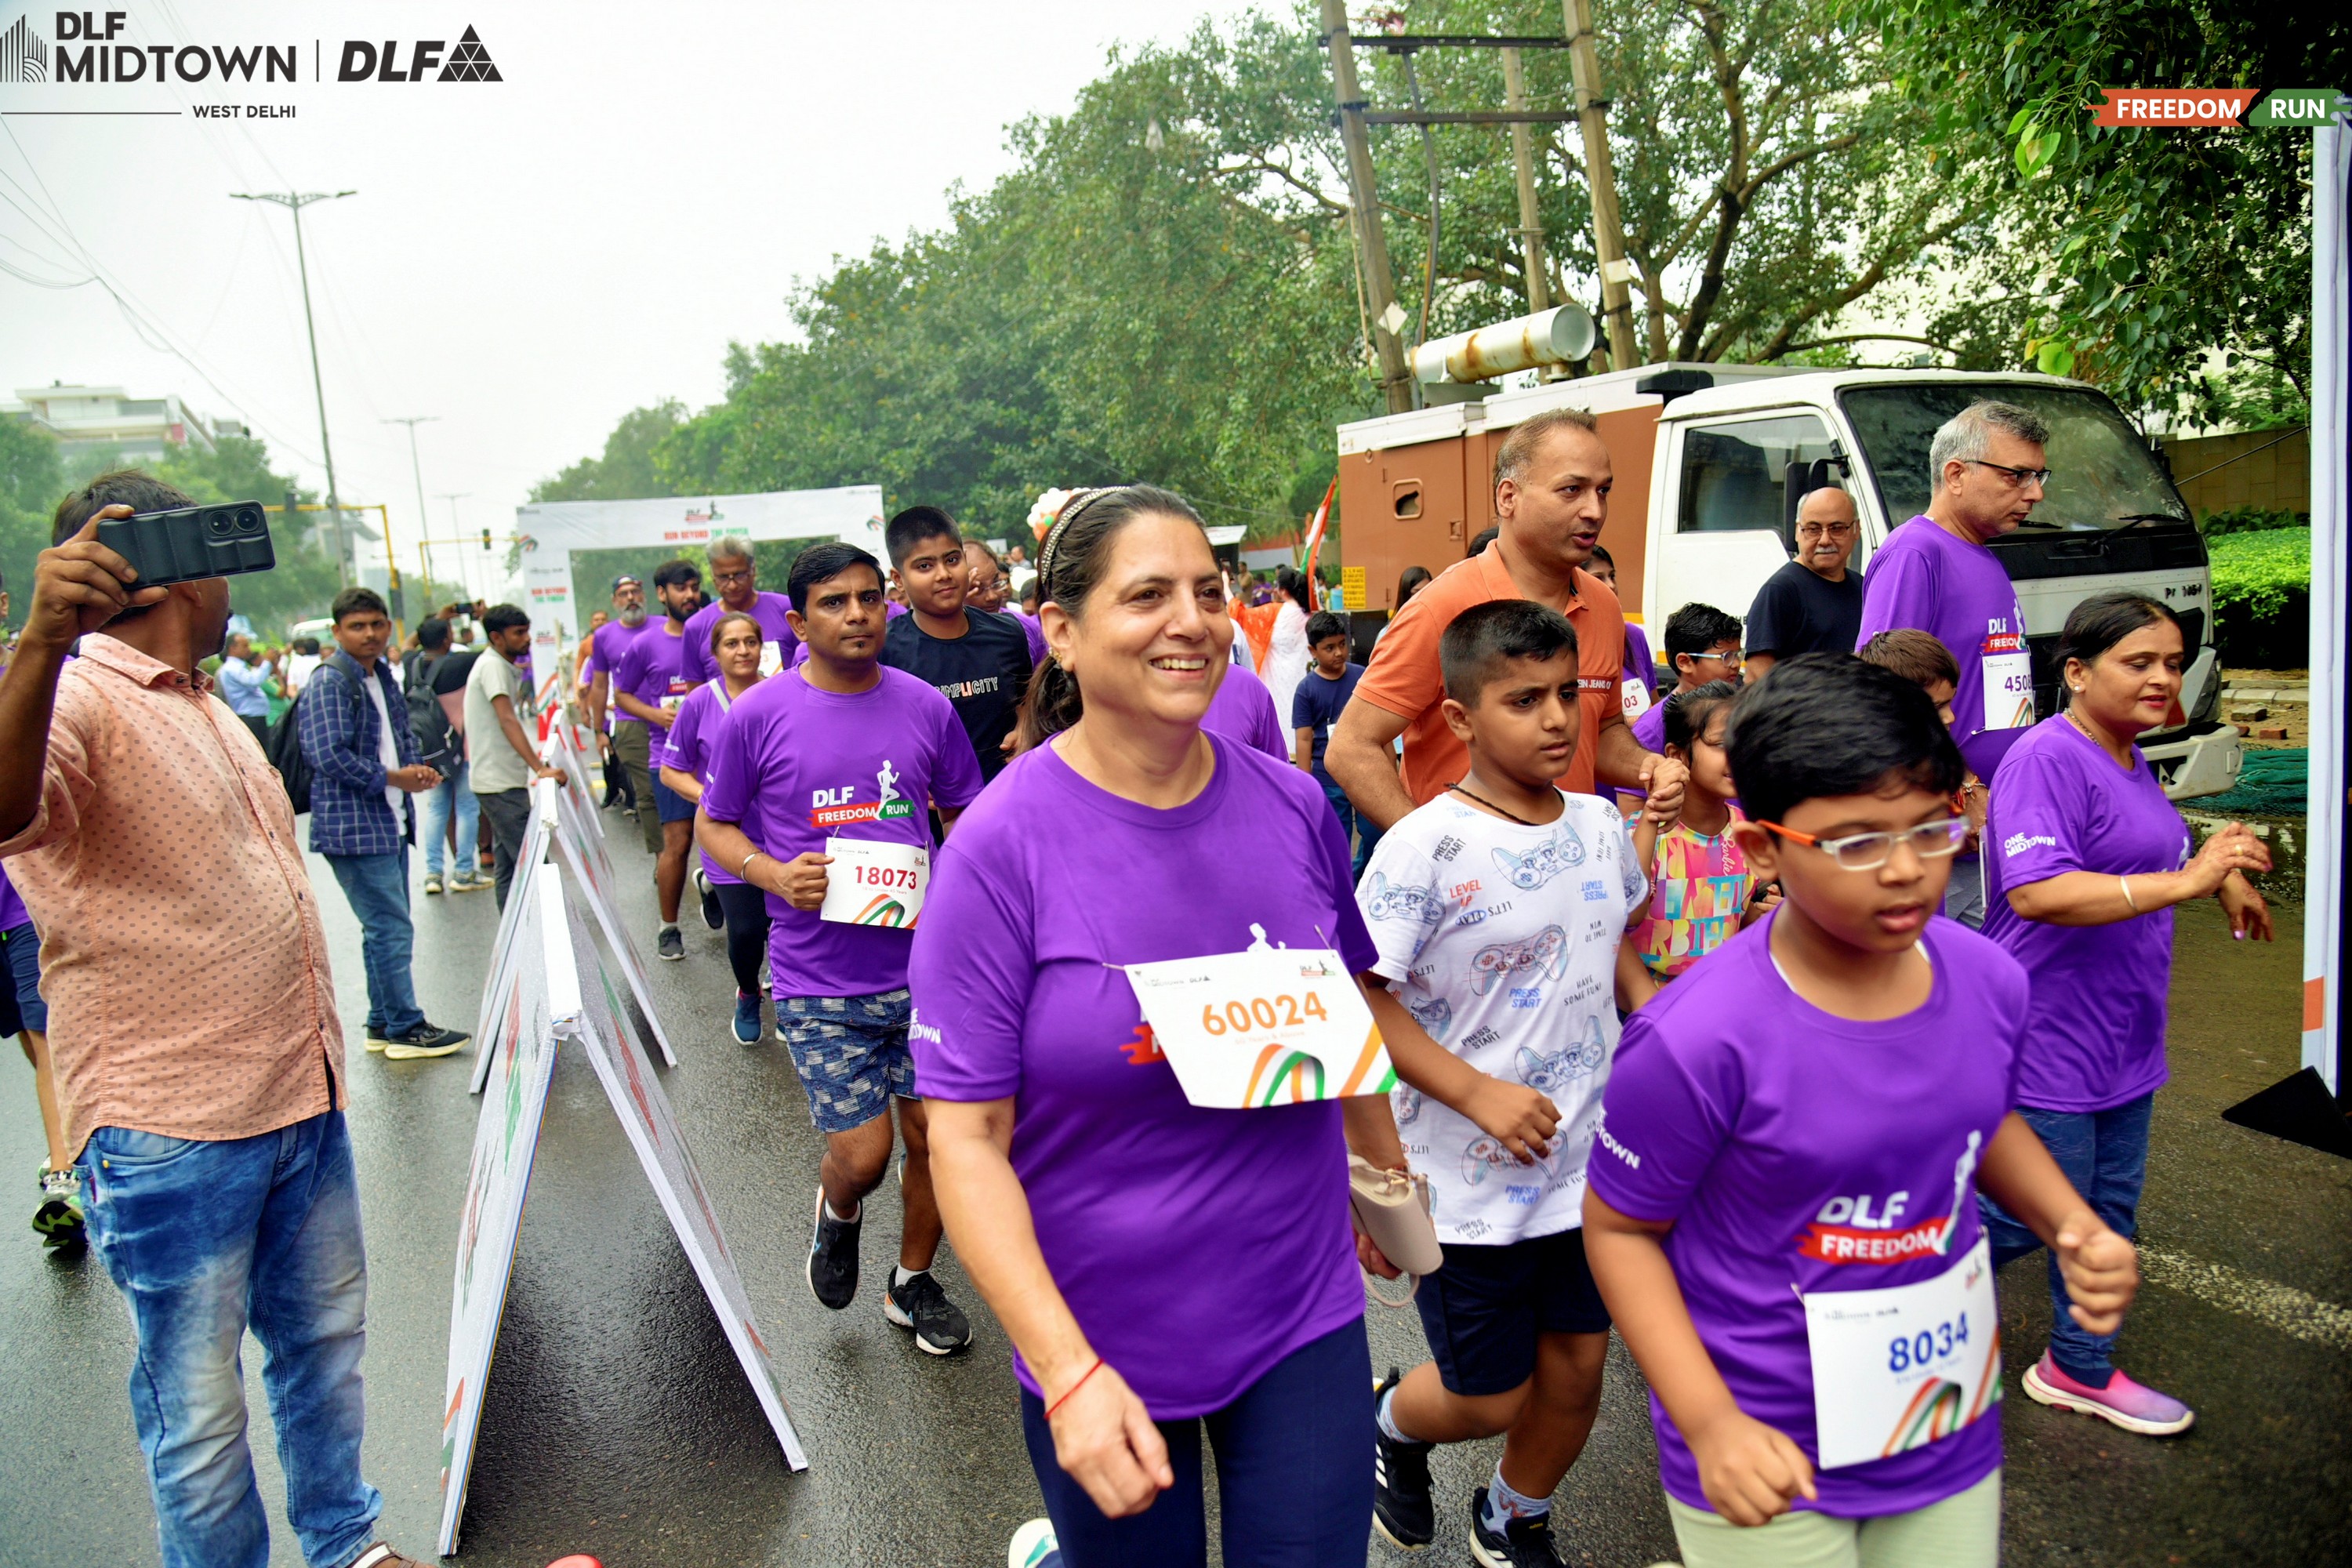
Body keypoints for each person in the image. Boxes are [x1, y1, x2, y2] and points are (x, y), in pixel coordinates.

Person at [906, 485, 1403, 1566]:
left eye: (1208, 593)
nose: (1193, 621)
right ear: (1063, 631)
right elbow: (966, 1139)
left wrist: (1383, 1176)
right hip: (1098, 1332)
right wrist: (1068, 1373)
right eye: (1148, 596)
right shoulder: (998, 849)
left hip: (1298, 1305)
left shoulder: (1292, 806)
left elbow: (1339, 1001)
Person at [1583, 654, 2141, 1568]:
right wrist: (1711, 1421)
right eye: (1854, 842)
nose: (1906, 870)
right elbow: (1620, 1230)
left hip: (1942, 1414)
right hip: (1767, 1443)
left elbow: (1981, 1117)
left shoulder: (1990, 978)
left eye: (1932, 828)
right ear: (1763, 848)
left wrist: (2071, 1224)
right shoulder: (1693, 1038)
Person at [0, 477, 434, 1568]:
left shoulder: (198, 698)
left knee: (323, 1347)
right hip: (172, 1128)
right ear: (174, 567)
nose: (234, 573)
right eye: (215, 548)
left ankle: (344, 1540)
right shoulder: (75, 695)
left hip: (300, 1096)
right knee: (198, 1409)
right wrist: (41, 638)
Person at [1358, 600, 1651, 1566]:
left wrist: (1662, 1025)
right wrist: (1474, 1092)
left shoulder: (1602, 824)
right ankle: (1392, 1421)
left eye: (1568, 692)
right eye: (1524, 699)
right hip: (1466, 1187)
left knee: (1577, 1369)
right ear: (1460, 718)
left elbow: (1611, 949)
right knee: (1488, 1394)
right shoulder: (1422, 846)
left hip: (1590, 1170)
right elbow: (1361, 997)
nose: (1557, 718)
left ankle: (1514, 1512)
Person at [1980, 592, 2271, 1437]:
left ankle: (2078, 1366)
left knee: (2108, 1213)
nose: (2162, 678)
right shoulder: (2047, 756)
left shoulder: (2129, 754)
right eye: (2138, 662)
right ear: (2076, 672)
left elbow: (2146, 849)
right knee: (2025, 1214)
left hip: (2124, 1035)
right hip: (2047, 1036)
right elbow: (2038, 891)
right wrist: (2187, 881)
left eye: (2173, 663)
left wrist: (2220, 877)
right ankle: (1871, 1296)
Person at [695, 543, 982, 1354]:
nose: (856, 614)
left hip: (926, 975)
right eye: (834, 602)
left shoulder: (925, 706)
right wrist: (771, 874)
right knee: (865, 1155)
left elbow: (963, 813)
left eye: (868, 598)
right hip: (819, 981)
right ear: (797, 621)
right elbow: (716, 822)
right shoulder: (758, 715)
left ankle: (912, 1282)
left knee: (935, 1142)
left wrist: (961, 887)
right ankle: (841, 1206)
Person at [1328, 408, 1686, 835]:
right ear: (1508, 497)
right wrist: (1430, 850)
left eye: (1603, 490)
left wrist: (1649, 766)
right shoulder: (1441, 608)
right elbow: (1351, 746)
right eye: (1571, 490)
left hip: (1570, 863)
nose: (1594, 510)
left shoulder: (1604, 607)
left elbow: (1602, 730)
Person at [299, 587, 470, 1061]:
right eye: (357, 626)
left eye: (377, 624)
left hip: (390, 819)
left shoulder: (381, 676)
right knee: (391, 929)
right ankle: (405, 1027)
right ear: (337, 632)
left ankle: (382, 1022)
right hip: (353, 826)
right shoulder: (331, 681)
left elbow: (400, 735)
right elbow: (326, 754)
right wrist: (394, 777)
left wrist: (417, 769)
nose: (370, 634)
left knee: (382, 928)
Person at [1854, 399, 2040, 753]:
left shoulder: (1980, 552)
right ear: (1956, 475)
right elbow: (1882, 693)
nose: (2036, 493)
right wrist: (1960, 777)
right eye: (2018, 476)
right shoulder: (1914, 552)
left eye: (2038, 476)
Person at [659, 612, 773, 1044]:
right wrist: (712, 799)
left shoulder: (781, 693)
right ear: (715, 653)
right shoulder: (699, 703)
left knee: (785, 926)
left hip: (780, 832)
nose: (743, 651)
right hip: (727, 835)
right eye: (732, 644)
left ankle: (789, 997)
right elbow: (671, 770)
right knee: (746, 931)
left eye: (751, 642)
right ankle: (748, 991)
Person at [1626, 681, 1772, 994]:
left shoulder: (1748, 832)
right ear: (1677, 756)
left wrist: (1768, 917)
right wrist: (1653, 817)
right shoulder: (1639, 832)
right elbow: (1629, 914)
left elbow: (1738, 921)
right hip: (1645, 1005)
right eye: (1721, 743)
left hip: (1717, 1000)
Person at [881, 506, 1035, 786]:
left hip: (1007, 795)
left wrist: (1026, 730)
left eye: (952, 560)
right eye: (925, 566)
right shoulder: (885, 650)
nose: (943, 574)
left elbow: (1026, 702)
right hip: (931, 808)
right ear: (899, 579)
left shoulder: (1009, 634)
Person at [1860, 629, 1989, 920]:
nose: (1950, 717)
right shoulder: (1867, 776)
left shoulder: (1929, 758)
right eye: (1937, 707)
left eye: (1950, 703)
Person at [613, 560, 705, 960]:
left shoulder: (715, 632)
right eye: (681, 588)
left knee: (740, 838)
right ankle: (669, 927)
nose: (690, 595)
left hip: (719, 756)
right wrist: (655, 714)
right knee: (678, 843)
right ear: (662, 594)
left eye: (694, 587)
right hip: (668, 757)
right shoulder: (645, 644)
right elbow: (622, 694)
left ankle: (715, 887)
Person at [465, 604, 569, 910]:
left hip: (500, 780)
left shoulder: (498, 664)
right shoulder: (493, 667)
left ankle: (512, 930)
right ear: (497, 637)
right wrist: (540, 768)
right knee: (535, 861)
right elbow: (507, 719)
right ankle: (546, 927)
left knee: (510, 867)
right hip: (499, 784)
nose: (527, 639)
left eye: (527, 632)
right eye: (519, 633)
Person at [2, 860, 77, 1247]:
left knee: (46, 1033)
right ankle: (70, 1138)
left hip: (23, 904)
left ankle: (64, 1179)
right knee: (23, 1028)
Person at [1742, 487, 1866, 685]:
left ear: (1856, 529)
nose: (1825, 540)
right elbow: (1757, 676)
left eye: (1836, 528)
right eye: (1813, 530)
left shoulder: (1862, 588)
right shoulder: (1781, 590)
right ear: (1798, 532)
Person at [1290, 609, 1375, 877]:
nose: (1339, 653)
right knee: (1336, 841)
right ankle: (1342, 887)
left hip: (1363, 774)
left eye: (1342, 644)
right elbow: (1304, 739)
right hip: (1328, 780)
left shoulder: (1362, 678)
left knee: (1375, 834)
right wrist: (1305, 784)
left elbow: (1376, 725)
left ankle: (1359, 879)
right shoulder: (1306, 690)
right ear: (1313, 651)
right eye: (1329, 648)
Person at [404, 617, 485, 895]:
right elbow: (495, 647)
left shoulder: (411, 664)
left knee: (437, 810)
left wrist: (439, 617)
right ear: (447, 639)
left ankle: (433, 874)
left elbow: (407, 645)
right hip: (460, 748)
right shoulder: (460, 663)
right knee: (467, 809)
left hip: (430, 751)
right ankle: (464, 871)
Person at [680, 535, 800, 684]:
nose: (732, 585)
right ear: (713, 576)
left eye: (739, 575)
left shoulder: (786, 610)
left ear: (753, 570)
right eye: (723, 577)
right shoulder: (696, 626)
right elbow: (694, 690)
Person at [1629, 603, 1743, 757]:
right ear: (1685, 662)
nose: (1736, 664)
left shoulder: (1736, 709)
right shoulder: (1653, 727)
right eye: (1726, 657)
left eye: (1737, 654)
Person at [586, 574, 654, 814]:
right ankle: (659, 840)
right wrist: (599, 731)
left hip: (670, 719)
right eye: (623, 594)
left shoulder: (664, 626)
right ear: (615, 601)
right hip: (631, 723)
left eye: (635, 592)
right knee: (648, 794)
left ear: (644, 596)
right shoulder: (603, 636)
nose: (631, 598)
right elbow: (600, 685)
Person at [1583, 546, 1655, 720]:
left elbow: (1654, 707)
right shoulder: (1569, 641)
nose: (1611, 585)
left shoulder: (1633, 635)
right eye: (1599, 578)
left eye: (1612, 576)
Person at [1259, 564, 1314, 731]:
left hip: (1277, 680)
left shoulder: (1273, 613)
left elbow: (1239, 612)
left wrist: (1226, 585)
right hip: (1303, 677)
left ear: (1282, 590)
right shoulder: (1310, 613)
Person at [216, 631, 277, 749]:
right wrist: (267, 662)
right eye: (245, 646)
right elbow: (254, 680)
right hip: (249, 716)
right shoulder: (232, 667)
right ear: (233, 648)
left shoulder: (238, 666)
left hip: (254, 715)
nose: (249, 649)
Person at [281, 633, 322, 699]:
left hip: (301, 701)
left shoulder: (294, 664)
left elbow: (290, 691)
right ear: (319, 649)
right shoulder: (323, 663)